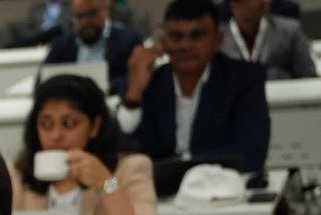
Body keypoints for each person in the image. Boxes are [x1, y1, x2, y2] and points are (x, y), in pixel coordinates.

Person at [12, 74, 161, 215]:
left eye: (69, 123)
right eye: (46, 125)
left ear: (94, 126)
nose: (56, 135)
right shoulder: (16, 177)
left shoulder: (130, 170)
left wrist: (106, 184)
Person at [116, 0, 271, 174]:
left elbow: (251, 154)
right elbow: (123, 152)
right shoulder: (148, 82)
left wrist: (182, 164)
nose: (185, 45)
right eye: (176, 36)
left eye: (197, 36)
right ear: (163, 42)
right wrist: (134, 96)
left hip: (221, 184)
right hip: (157, 186)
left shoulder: (244, 79)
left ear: (218, 40)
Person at [44, 0, 147, 96]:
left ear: (106, 10)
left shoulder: (128, 41)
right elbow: (43, 80)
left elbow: (137, 77)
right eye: (80, 16)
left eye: (91, 14)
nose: (85, 22)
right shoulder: (61, 46)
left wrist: (107, 85)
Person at [221, 0, 317, 79]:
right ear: (234, 4)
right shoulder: (218, 39)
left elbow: (309, 77)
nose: (265, 1)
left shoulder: (290, 31)